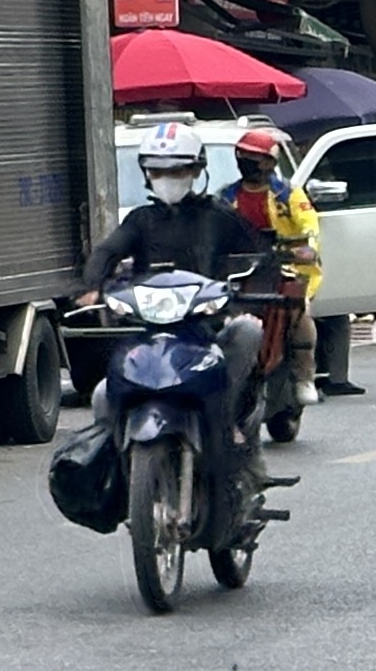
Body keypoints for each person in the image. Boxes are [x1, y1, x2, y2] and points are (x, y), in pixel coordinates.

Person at [79, 121, 278, 472]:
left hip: (208, 329)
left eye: (177, 169)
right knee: (101, 397)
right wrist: (92, 287)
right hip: (149, 332)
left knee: (248, 332)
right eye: (157, 170)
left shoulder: (220, 216)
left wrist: (247, 303)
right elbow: (107, 252)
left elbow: (260, 260)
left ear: (197, 170)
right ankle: (113, 470)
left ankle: (227, 420)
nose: (167, 177)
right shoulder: (141, 220)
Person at [230, 126, 325, 425]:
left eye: (256, 157)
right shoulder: (226, 196)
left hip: (287, 268)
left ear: (270, 162)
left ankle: (304, 376)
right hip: (241, 272)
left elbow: (309, 224)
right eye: (244, 156)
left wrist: (306, 247)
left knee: (300, 311)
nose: (249, 162)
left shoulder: (288, 194)